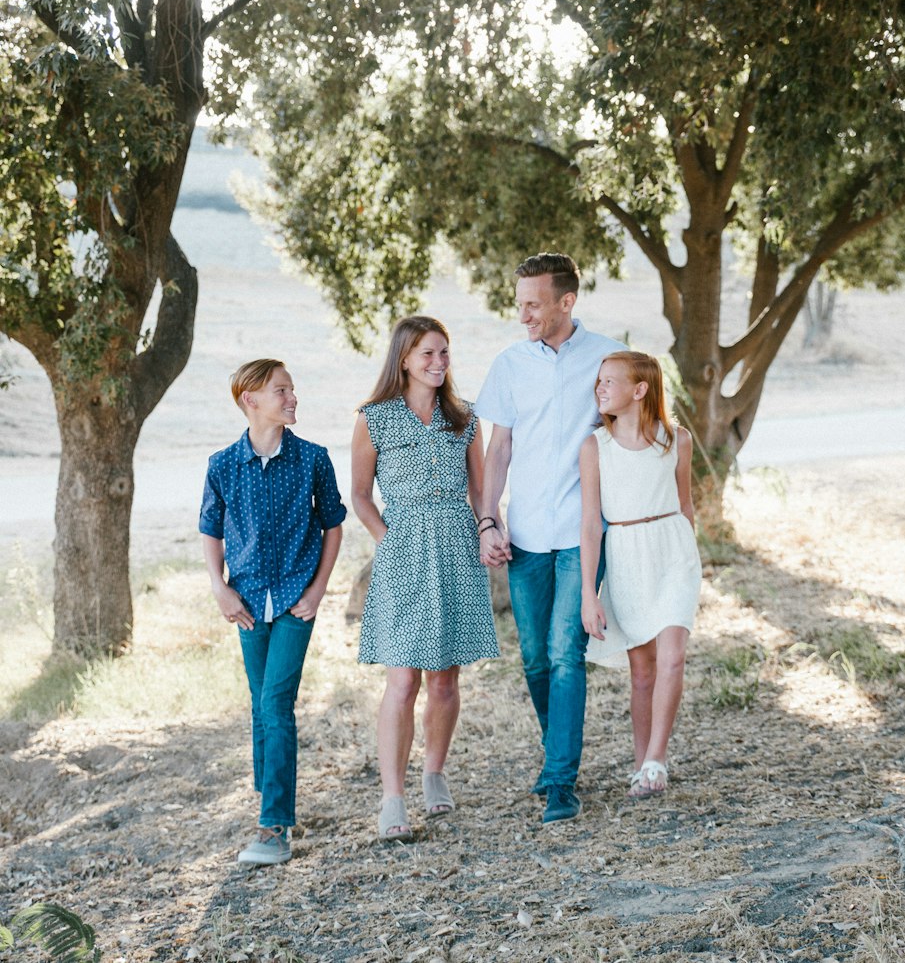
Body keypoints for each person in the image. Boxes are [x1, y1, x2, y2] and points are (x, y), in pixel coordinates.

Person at [477, 252, 621, 824]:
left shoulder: (608, 358)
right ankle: (555, 752)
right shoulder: (510, 364)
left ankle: (561, 778)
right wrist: (488, 519)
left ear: (567, 301)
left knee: (566, 654)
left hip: (585, 531)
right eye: (520, 305)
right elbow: (499, 449)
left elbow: (631, 429)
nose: (524, 316)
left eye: (534, 304)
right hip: (528, 534)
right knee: (535, 660)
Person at [352, 315, 499, 842]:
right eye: (427, 355)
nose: (438, 364)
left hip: (457, 545)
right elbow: (362, 495)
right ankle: (393, 797)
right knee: (402, 680)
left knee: (445, 678)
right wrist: (386, 539)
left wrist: (488, 528)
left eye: (444, 353)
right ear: (404, 359)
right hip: (402, 549)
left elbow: (483, 491)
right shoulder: (375, 418)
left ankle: (433, 771)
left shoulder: (464, 419)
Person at [200, 359, 346, 865]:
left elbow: (333, 526)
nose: (292, 398)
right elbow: (210, 529)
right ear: (251, 400)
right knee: (260, 701)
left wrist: (319, 589)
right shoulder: (222, 465)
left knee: (276, 702)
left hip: (294, 600)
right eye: (281, 391)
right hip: (245, 600)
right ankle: (271, 795)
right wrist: (219, 588)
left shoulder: (313, 459)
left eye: (292, 389)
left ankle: (274, 825)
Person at [580, 351, 701, 798]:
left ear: (640, 389)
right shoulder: (596, 447)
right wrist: (588, 595)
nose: (600, 389)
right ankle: (640, 762)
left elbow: (685, 505)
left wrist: (690, 553)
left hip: (673, 552)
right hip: (628, 555)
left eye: (610, 382)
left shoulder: (677, 440)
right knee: (643, 671)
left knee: (672, 656)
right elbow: (591, 524)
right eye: (599, 382)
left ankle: (656, 761)